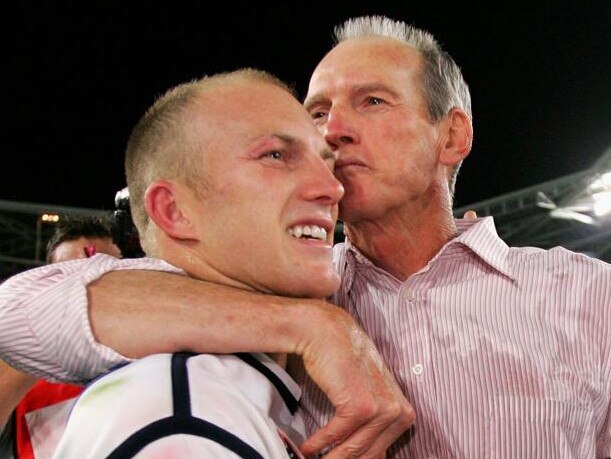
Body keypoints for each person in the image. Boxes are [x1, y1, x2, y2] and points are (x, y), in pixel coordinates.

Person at [1, 14, 610, 458]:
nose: (334, 130)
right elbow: (17, 314)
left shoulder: (587, 293)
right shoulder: (280, 285)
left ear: (452, 136)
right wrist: (313, 325)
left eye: (371, 101)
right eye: (317, 113)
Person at [0, 214, 122, 458]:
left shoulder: (159, 357)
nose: (87, 284)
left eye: (105, 272)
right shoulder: (18, 362)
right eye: (70, 274)